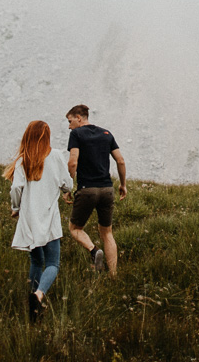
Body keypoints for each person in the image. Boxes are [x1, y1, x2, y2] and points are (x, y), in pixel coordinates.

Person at [3, 120, 73, 323]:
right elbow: (67, 183)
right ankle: (39, 294)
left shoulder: (23, 160)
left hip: (30, 217)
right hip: (49, 216)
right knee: (53, 262)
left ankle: (33, 302)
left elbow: (16, 188)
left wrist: (16, 208)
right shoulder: (57, 156)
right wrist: (67, 190)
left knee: (36, 260)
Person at [65, 104, 127, 276]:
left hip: (87, 189)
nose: (69, 126)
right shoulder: (107, 134)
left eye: (70, 121)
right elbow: (120, 161)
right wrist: (123, 185)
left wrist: (68, 186)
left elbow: (73, 163)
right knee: (107, 233)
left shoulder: (76, 134)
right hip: (107, 189)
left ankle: (93, 251)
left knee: (75, 228)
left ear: (79, 117)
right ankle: (113, 275)